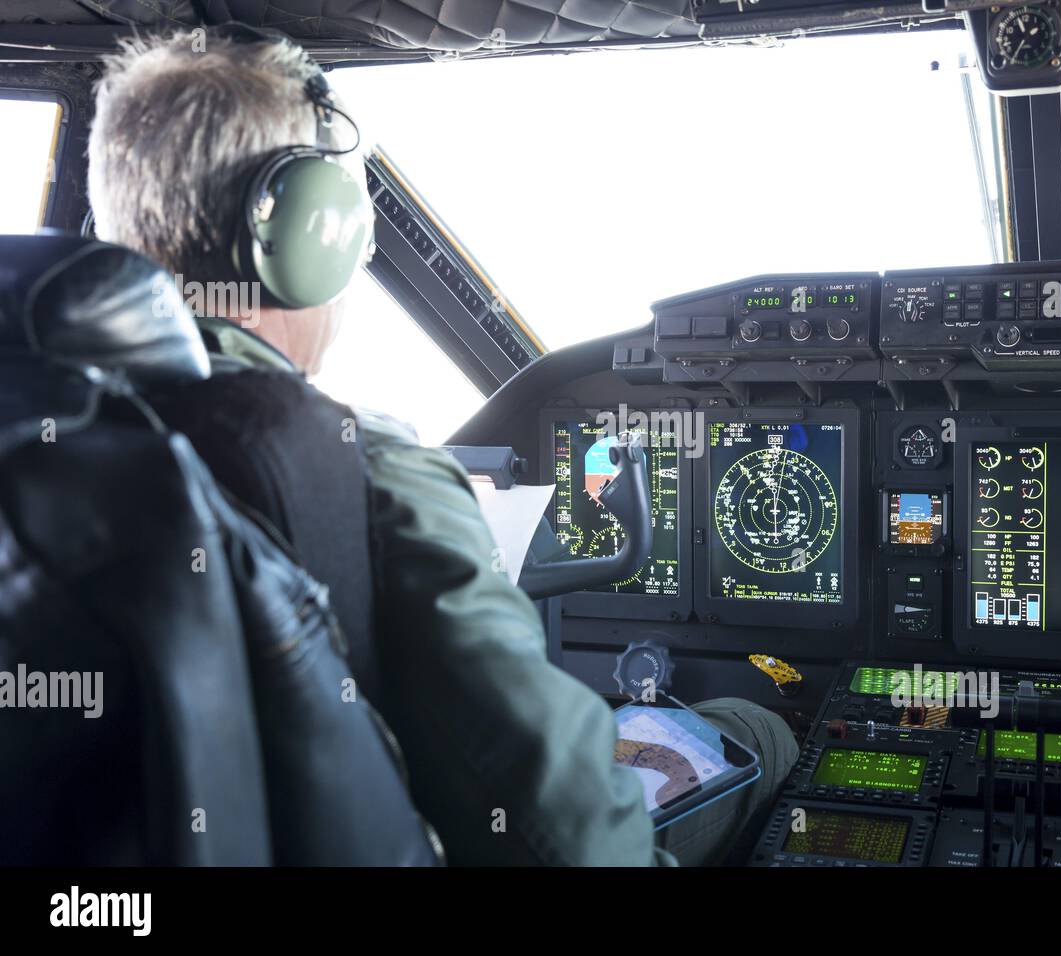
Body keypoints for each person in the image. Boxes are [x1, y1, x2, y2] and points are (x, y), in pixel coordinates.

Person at [87, 28, 797, 866]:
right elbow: (568, 841)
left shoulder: (45, 434)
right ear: (314, 235)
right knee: (758, 729)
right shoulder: (368, 480)